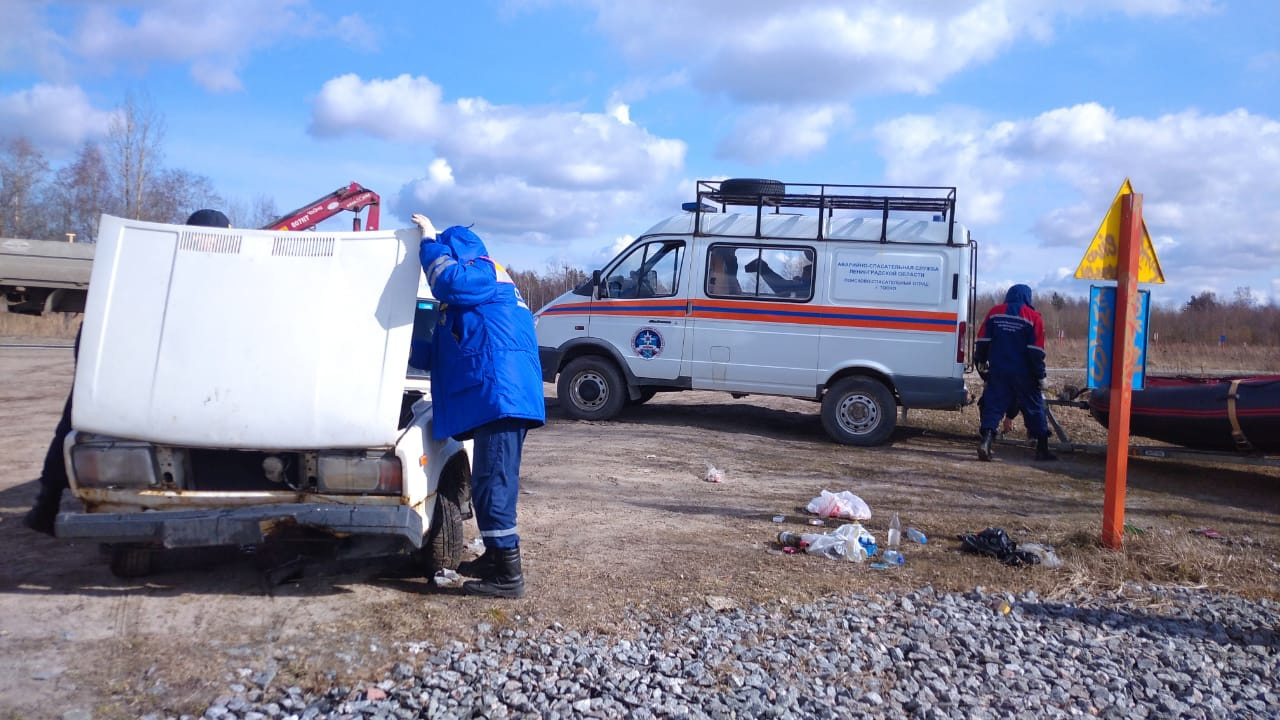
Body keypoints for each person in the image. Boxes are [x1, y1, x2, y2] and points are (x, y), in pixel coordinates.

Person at [23, 208, 232, 535]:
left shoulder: (159, 260)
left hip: (111, 344)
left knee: (78, 416)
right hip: (128, 347)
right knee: (83, 417)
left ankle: (47, 503)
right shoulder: (215, 271)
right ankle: (48, 503)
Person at [408, 213, 545, 599]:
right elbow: (439, 352)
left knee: (493, 484)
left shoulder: (483, 273)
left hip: (501, 397)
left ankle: (509, 577)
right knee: (490, 482)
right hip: (499, 396)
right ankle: (494, 558)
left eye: (444, 255)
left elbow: (448, 279)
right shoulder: (476, 297)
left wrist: (430, 241)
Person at [974, 283, 1056, 462]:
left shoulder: (994, 313)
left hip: (998, 370)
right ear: (1028, 297)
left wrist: (980, 361)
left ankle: (986, 443)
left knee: (993, 406)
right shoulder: (1034, 317)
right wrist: (1041, 376)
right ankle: (1042, 448)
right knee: (1034, 408)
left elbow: (983, 341)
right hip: (1024, 374)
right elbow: (1035, 351)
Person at [745, 256, 812, 297]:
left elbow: (781, 286)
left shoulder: (809, 287)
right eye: (803, 274)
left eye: (805, 274)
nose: (803, 275)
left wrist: (786, 293)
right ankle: (763, 268)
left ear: (811, 276)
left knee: (781, 285)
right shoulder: (804, 284)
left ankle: (762, 267)